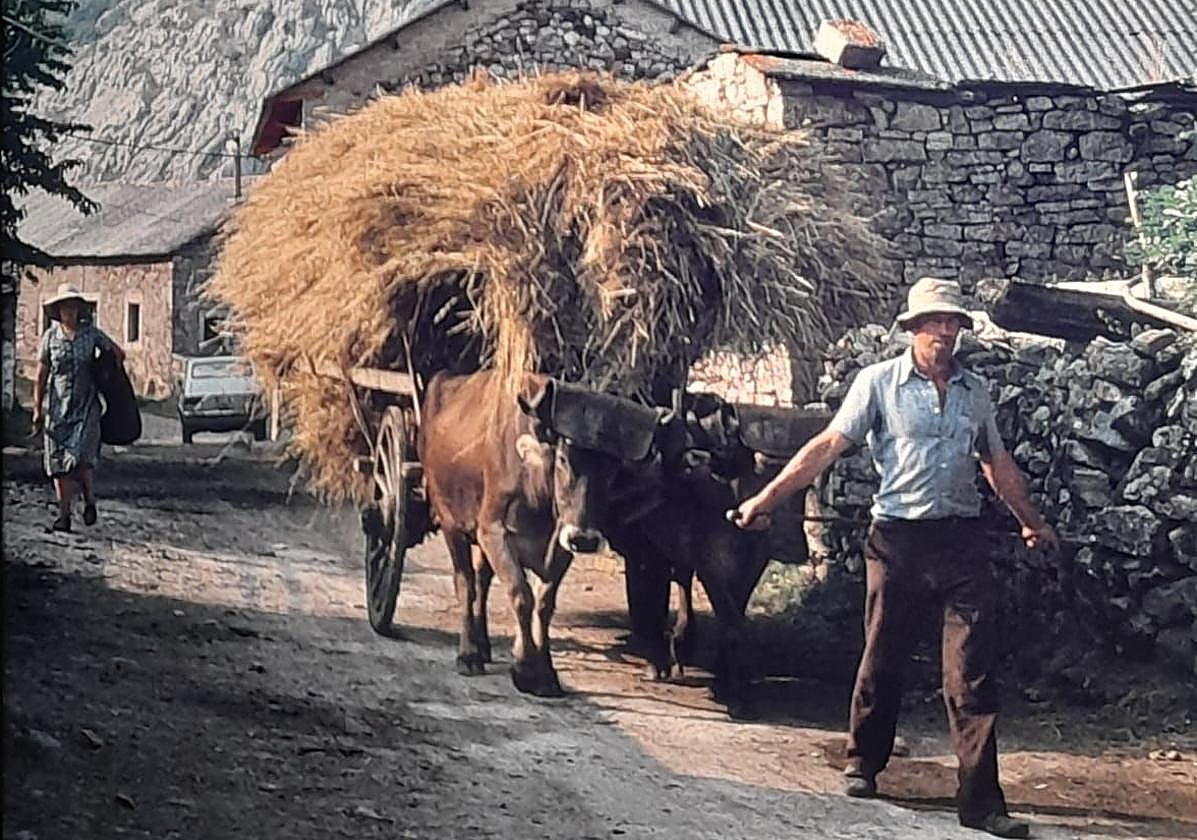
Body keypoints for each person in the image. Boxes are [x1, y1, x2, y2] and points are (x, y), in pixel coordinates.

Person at [733, 277, 1057, 839]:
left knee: (971, 673)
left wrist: (1032, 522)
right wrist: (766, 499)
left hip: (960, 541)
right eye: (933, 323)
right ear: (912, 329)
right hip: (897, 540)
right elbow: (827, 448)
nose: (944, 332)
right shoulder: (877, 384)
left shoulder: (974, 392)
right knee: (884, 652)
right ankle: (863, 761)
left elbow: (995, 464)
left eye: (952, 323)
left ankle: (981, 804)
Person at [32, 283, 126, 532]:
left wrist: (108, 376)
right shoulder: (50, 338)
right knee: (58, 464)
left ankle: (89, 500)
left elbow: (117, 352)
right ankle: (64, 516)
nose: (69, 313)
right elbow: (41, 373)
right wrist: (37, 407)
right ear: (58, 311)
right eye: (65, 308)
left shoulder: (91, 334)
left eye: (73, 308)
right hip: (57, 409)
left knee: (81, 459)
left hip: (85, 407)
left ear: (79, 310)